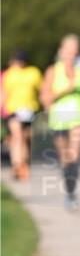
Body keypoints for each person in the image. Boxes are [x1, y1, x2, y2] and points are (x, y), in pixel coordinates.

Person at [40, 35, 80, 210]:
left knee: (74, 155)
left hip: (79, 116)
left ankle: (73, 191)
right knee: (65, 159)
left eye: (75, 49)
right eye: (69, 49)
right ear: (61, 51)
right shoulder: (52, 71)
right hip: (59, 119)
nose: (72, 53)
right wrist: (65, 90)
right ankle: (70, 193)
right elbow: (45, 97)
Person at [2, 49, 42, 180]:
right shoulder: (9, 74)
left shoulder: (33, 72)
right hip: (13, 109)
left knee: (25, 138)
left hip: (30, 109)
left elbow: (40, 90)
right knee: (17, 136)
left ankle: (24, 163)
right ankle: (17, 165)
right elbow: (4, 92)